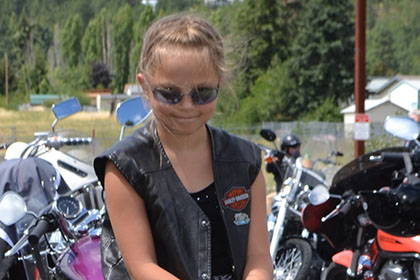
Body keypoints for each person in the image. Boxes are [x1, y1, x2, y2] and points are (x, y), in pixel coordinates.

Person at [93, 14, 272, 280]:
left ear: (219, 84)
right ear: (145, 86)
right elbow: (142, 267)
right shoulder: (124, 166)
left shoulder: (245, 161)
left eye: (203, 93)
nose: (187, 105)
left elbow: (258, 258)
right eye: (170, 93)